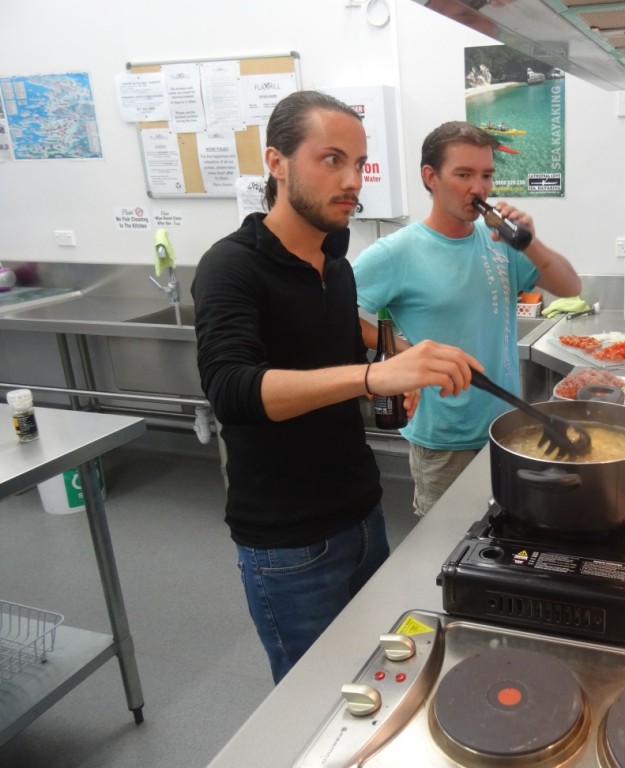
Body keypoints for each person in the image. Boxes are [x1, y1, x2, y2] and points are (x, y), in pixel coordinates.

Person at [191, 92, 478, 683]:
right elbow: (232, 389)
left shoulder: (336, 263)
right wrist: (373, 375)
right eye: (332, 160)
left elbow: (335, 347)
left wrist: (393, 359)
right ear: (276, 162)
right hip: (289, 544)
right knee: (314, 698)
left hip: (363, 511)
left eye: (360, 163)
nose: (352, 180)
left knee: (377, 677)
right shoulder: (231, 267)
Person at [353, 121, 581, 516]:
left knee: (505, 530)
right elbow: (337, 315)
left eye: (486, 175)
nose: (479, 188)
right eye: (463, 175)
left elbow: (570, 286)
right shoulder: (397, 252)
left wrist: (530, 241)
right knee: (446, 540)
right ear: (431, 177)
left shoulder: (500, 242)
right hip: (445, 439)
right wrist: (404, 351)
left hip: (506, 427)